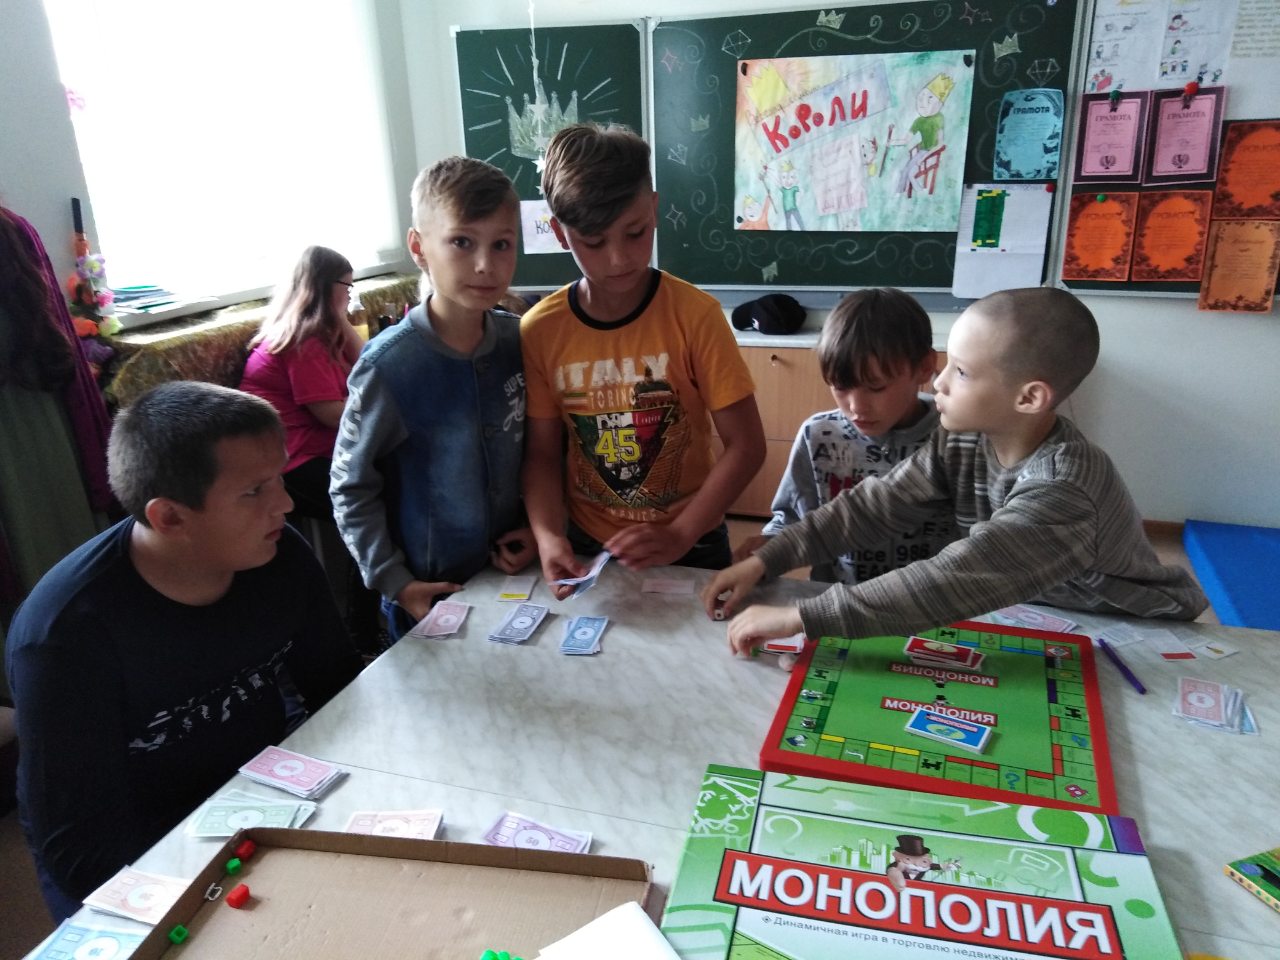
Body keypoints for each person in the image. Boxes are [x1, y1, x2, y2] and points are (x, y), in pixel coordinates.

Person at [5, 381, 363, 919]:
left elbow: (339, 693)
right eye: (254, 491)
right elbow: (81, 851)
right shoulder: (64, 637)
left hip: (259, 788)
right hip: (132, 839)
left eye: (279, 478)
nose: (286, 504)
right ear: (170, 517)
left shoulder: (280, 557)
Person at [703, 286, 1208, 654]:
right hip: (1029, 612)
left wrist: (802, 616)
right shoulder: (963, 438)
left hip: (1130, 635)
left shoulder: (1063, 489)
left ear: (1029, 397)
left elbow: (954, 579)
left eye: (961, 372)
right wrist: (767, 559)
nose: (938, 382)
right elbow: (873, 507)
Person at [521, 123, 765, 599]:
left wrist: (680, 533)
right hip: (587, 545)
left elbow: (747, 445)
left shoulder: (695, 315)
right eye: (594, 242)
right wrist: (549, 537)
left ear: (653, 208)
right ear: (560, 233)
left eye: (635, 233)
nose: (618, 259)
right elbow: (543, 456)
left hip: (692, 541)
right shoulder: (540, 330)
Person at [330, 157, 535, 640]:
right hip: (428, 594)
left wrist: (538, 528)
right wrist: (395, 581)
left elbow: (544, 451)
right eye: (462, 242)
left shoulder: (521, 341)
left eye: (502, 244)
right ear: (419, 248)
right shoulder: (388, 366)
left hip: (514, 580)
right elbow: (351, 487)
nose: (485, 265)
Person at [733, 288, 955, 585]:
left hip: (932, 602)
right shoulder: (818, 435)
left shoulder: (955, 437)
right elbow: (792, 520)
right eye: (840, 386)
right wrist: (767, 548)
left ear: (924, 367)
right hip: (837, 601)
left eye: (876, 387)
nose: (856, 407)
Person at [239, 245, 364, 519]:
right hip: (291, 460)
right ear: (326, 287)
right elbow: (332, 415)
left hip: (314, 447)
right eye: (347, 286)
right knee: (385, 495)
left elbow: (368, 363)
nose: (350, 294)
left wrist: (339, 315)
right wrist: (375, 401)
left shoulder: (322, 331)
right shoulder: (303, 341)